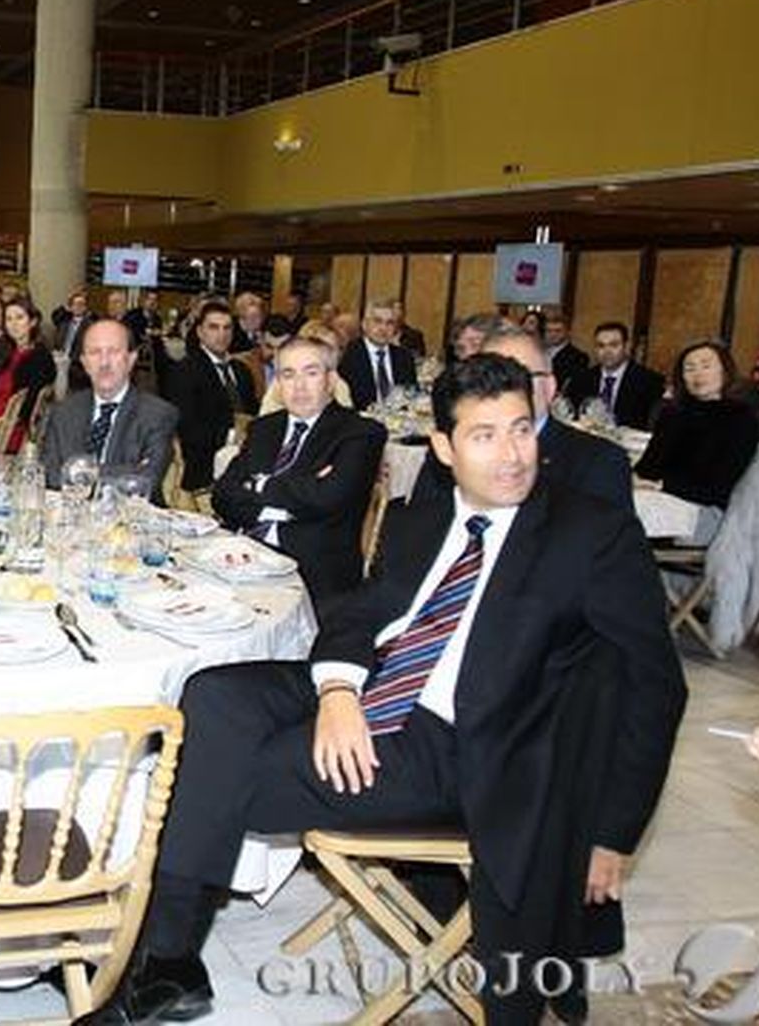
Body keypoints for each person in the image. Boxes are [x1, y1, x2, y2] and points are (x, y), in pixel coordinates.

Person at [81, 354, 685, 1026]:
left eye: (520, 430)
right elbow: (360, 618)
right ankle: (169, 964)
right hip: (380, 691)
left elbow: (656, 687)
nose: (513, 454)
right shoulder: (423, 516)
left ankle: (160, 969)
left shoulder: (590, 534)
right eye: (484, 436)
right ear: (444, 448)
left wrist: (612, 833)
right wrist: (339, 694)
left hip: (468, 749)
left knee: (221, 771)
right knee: (212, 697)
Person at [212, 335, 385, 602]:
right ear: (278, 383)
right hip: (243, 558)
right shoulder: (263, 428)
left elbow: (328, 498)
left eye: (311, 373)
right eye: (288, 375)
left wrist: (258, 485)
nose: (299, 386)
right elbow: (223, 496)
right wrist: (294, 499)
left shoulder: (361, 432)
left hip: (315, 573)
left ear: (330, 380)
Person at [413, 325, 633, 509]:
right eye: (490, 375)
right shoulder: (452, 448)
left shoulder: (598, 462)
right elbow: (421, 529)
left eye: (523, 376)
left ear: (549, 387)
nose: (504, 390)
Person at [41, 318, 178, 501]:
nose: (104, 363)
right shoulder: (63, 411)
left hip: (130, 523)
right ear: (84, 363)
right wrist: (126, 469)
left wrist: (76, 472)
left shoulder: (158, 415)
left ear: (131, 359)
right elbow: (49, 475)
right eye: (95, 352)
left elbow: (145, 481)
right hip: (70, 522)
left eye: (113, 351)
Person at [634, 341, 759, 510]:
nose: (697, 374)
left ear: (725, 371)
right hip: (655, 497)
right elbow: (647, 466)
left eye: (706, 366)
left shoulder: (741, 418)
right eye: (689, 369)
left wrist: (661, 486)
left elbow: (718, 489)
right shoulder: (672, 413)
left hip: (702, 508)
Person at [171, 299, 260, 491]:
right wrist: (232, 436)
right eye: (214, 327)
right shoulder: (186, 371)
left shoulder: (242, 370)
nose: (222, 334)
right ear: (200, 332)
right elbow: (187, 429)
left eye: (227, 328)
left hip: (246, 460)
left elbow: (254, 413)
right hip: (204, 465)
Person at [0, 301, 57, 454]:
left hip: (14, 427)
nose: (13, 324)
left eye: (19, 318)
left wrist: (1, 421)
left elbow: (31, 399)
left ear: (32, 322)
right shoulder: (1, 349)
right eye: (9, 319)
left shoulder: (41, 357)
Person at [563, 322, 663, 430]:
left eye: (614, 345)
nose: (607, 352)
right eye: (601, 346)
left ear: (627, 346)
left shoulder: (649, 381)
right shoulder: (581, 379)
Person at [338, 299, 418, 410]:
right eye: (377, 321)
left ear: (396, 328)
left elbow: (411, 395)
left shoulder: (404, 357)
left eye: (389, 323)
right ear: (364, 325)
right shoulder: (348, 355)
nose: (383, 328)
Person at [544, 309, 589, 395]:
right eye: (549, 331)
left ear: (568, 332)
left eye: (558, 331)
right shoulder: (539, 353)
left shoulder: (578, 357)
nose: (553, 335)